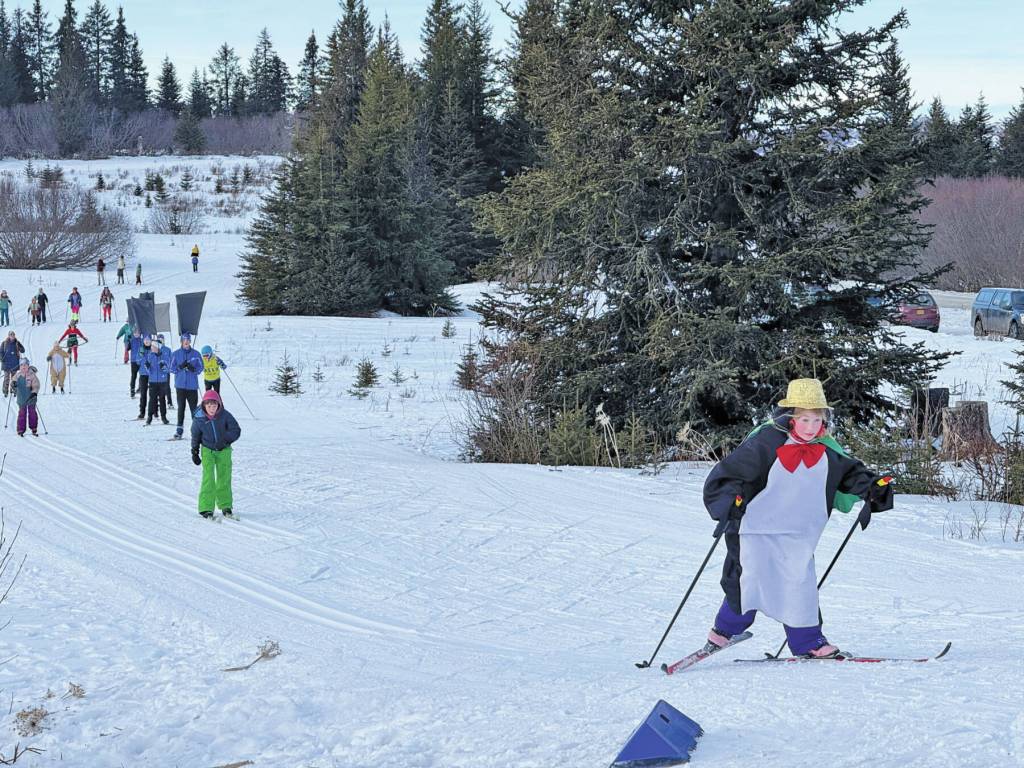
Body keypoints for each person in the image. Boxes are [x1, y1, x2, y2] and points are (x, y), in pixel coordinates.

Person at [701, 378, 894, 659]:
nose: (811, 427)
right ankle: (724, 631)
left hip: (797, 533)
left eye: (817, 420)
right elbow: (730, 473)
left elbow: (851, 474)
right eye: (805, 420)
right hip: (755, 527)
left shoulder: (826, 448)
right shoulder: (766, 442)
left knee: (799, 583)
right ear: (791, 416)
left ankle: (809, 642)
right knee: (749, 579)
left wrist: (873, 487)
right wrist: (729, 501)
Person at [191, 389, 240, 519]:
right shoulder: (199, 419)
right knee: (209, 477)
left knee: (224, 477)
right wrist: (194, 451)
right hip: (208, 450)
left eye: (214, 405)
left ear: (219, 405)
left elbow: (236, 430)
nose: (212, 408)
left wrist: (225, 441)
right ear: (204, 406)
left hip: (224, 450)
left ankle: (225, 505)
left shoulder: (225, 415)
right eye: (209, 405)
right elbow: (195, 436)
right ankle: (206, 507)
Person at [170, 333, 203, 440]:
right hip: (180, 385)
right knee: (181, 408)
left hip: (192, 386)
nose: (187, 342)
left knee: (194, 409)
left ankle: (197, 431)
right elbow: (171, 369)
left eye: (188, 340)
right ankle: (179, 431)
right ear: (181, 341)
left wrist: (193, 369)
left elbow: (201, 368)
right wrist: (180, 367)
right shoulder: (176, 354)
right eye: (185, 340)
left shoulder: (196, 354)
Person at [143, 335, 171, 425]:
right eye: (151, 346)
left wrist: (164, 367)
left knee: (162, 399)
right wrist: (147, 367)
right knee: (152, 400)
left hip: (162, 382)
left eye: (153, 346)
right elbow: (149, 371)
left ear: (157, 347)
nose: (151, 348)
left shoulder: (164, 356)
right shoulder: (150, 356)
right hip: (153, 381)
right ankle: (149, 417)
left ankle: (164, 417)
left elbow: (168, 369)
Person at [13, 359, 40, 437]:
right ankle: (20, 429)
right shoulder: (17, 375)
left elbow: (36, 385)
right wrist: (13, 384)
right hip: (21, 397)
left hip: (31, 397)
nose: (23, 367)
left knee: (32, 413)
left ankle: (33, 427)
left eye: (25, 365)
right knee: (22, 413)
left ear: (28, 366)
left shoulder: (32, 375)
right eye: (21, 365)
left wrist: (34, 392)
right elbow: (13, 381)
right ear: (19, 367)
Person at [1, 331, 25, 396]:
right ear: (8, 336)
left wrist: (19, 346)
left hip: (15, 364)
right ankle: (5, 391)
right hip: (6, 364)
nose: (12, 336)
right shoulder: (4, 343)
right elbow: (1, 352)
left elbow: (23, 350)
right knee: (6, 378)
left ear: (14, 336)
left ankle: (14, 390)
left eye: (13, 335)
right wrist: (1, 358)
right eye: (11, 335)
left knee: (14, 378)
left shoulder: (17, 343)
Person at [135, 335, 152, 418]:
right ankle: (142, 412)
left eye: (148, 340)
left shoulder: (153, 349)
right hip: (143, 374)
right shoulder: (141, 349)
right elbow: (137, 362)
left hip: (152, 374)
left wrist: (150, 363)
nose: (147, 341)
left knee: (153, 394)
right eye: (145, 340)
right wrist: (140, 355)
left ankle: (153, 412)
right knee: (143, 394)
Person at [157, 334, 174, 409]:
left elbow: (172, 360)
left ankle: (169, 402)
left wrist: (168, 366)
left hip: (166, 371)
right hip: (157, 372)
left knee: (167, 387)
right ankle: (159, 401)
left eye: (162, 339)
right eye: (159, 339)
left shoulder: (168, 349)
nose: (161, 341)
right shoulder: (155, 349)